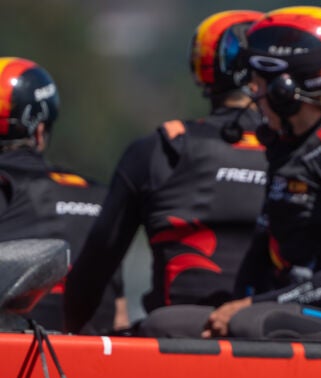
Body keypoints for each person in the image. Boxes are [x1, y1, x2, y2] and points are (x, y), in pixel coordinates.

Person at [140, 6, 321, 342]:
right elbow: (257, 260)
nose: (253, 94)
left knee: (249, 321)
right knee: (163, 324)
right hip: (294, 311)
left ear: (285, 88)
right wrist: (235, 306)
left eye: (258, 83)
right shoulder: (290, 148)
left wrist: (249, 306)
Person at [64, 10, 267, 335]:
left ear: (202, 69)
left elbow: (93, 271)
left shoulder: (158, 150)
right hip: (278, 343)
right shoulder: (305, 153)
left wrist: (76, 337)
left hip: (173, 344)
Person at [0, 57, 125, 334]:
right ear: (40, 130)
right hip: (94, 357)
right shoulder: (100, 195)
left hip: (10, 352)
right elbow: (120, 317)